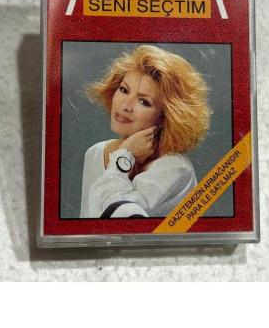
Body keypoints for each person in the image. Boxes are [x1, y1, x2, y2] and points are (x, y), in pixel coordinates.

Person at [79, 45, 211, 219]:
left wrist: (124, 157)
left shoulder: (175, 169)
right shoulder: (96, 153)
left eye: (144, 102)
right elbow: (87, 223)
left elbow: (116, 216)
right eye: (124, 90)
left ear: (165, 117)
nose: (125, 106)